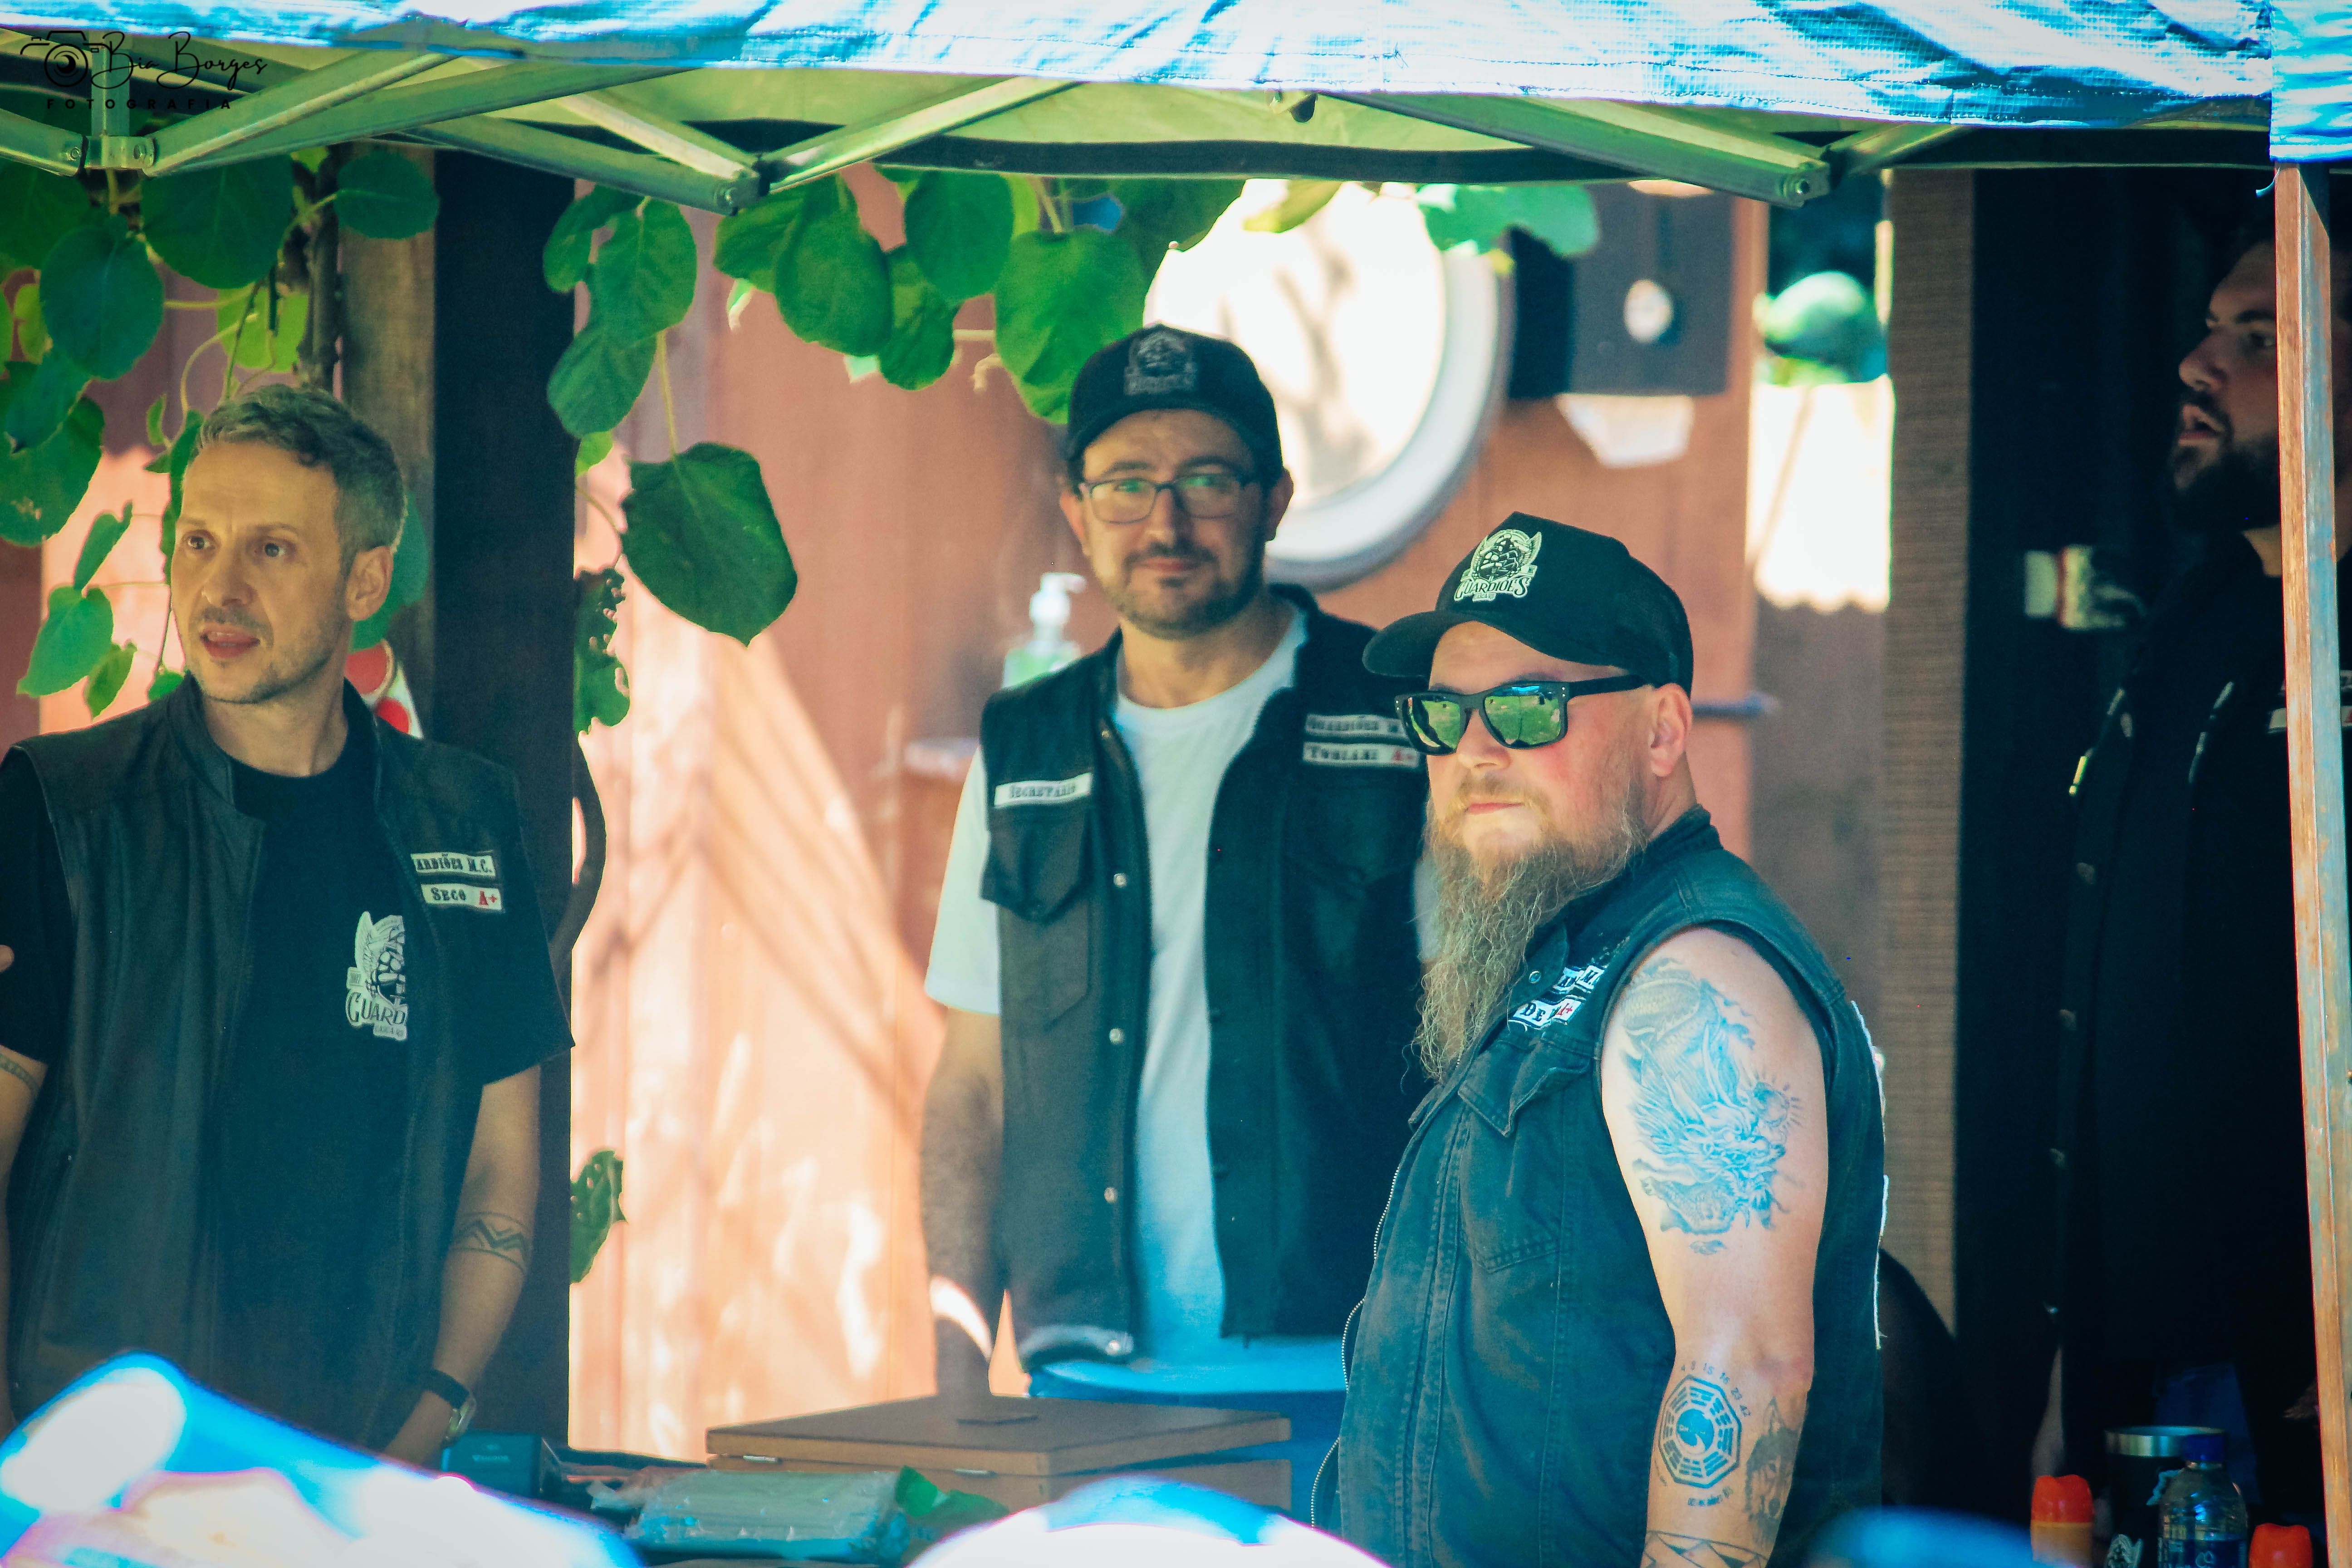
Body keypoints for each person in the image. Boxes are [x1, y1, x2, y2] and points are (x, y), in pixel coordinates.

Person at [0, 385, 569, 1462]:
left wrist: (422, 1425)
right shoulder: (65, 810)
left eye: (271, 549)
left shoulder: (461, 824)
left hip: (353, 1473)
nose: (220, 588)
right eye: (199, 542)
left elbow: (501, 1168)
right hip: (102, 1483)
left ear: (365, 580)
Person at [920, 326, 1430, 1512]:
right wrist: (957, 1371)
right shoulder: (1024, 748)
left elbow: (1471, 1057)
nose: (1166, 520)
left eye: (1206, 479)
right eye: (1126, 484)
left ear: (1273, 500)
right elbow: (972, 1085)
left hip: (1347, 1385)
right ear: (1077, 508)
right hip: (1080, 1392)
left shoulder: (1401, 724)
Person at [1333, 515, 1886, 1567]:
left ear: (1664, 733)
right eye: (1444, 716)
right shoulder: (1571, 945)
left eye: (1528, 707)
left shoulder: (1695, 974)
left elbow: (1749, 1367)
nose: (1476, 751)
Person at [2039, 218, 2348, 1528]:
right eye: (2214, 328)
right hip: (2146, 1354)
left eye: (2259, 337)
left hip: (2315, 1365)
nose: (2195, 366)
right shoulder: (2197, 619)